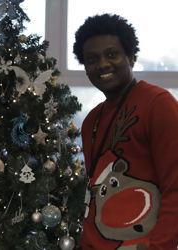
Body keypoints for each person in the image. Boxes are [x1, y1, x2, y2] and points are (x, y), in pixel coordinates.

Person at [73, 14, 178, 249]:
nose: (102, 64)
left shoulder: (158, 104)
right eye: (92, 59)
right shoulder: (92, 120)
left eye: (112, 54)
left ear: (131, 56)